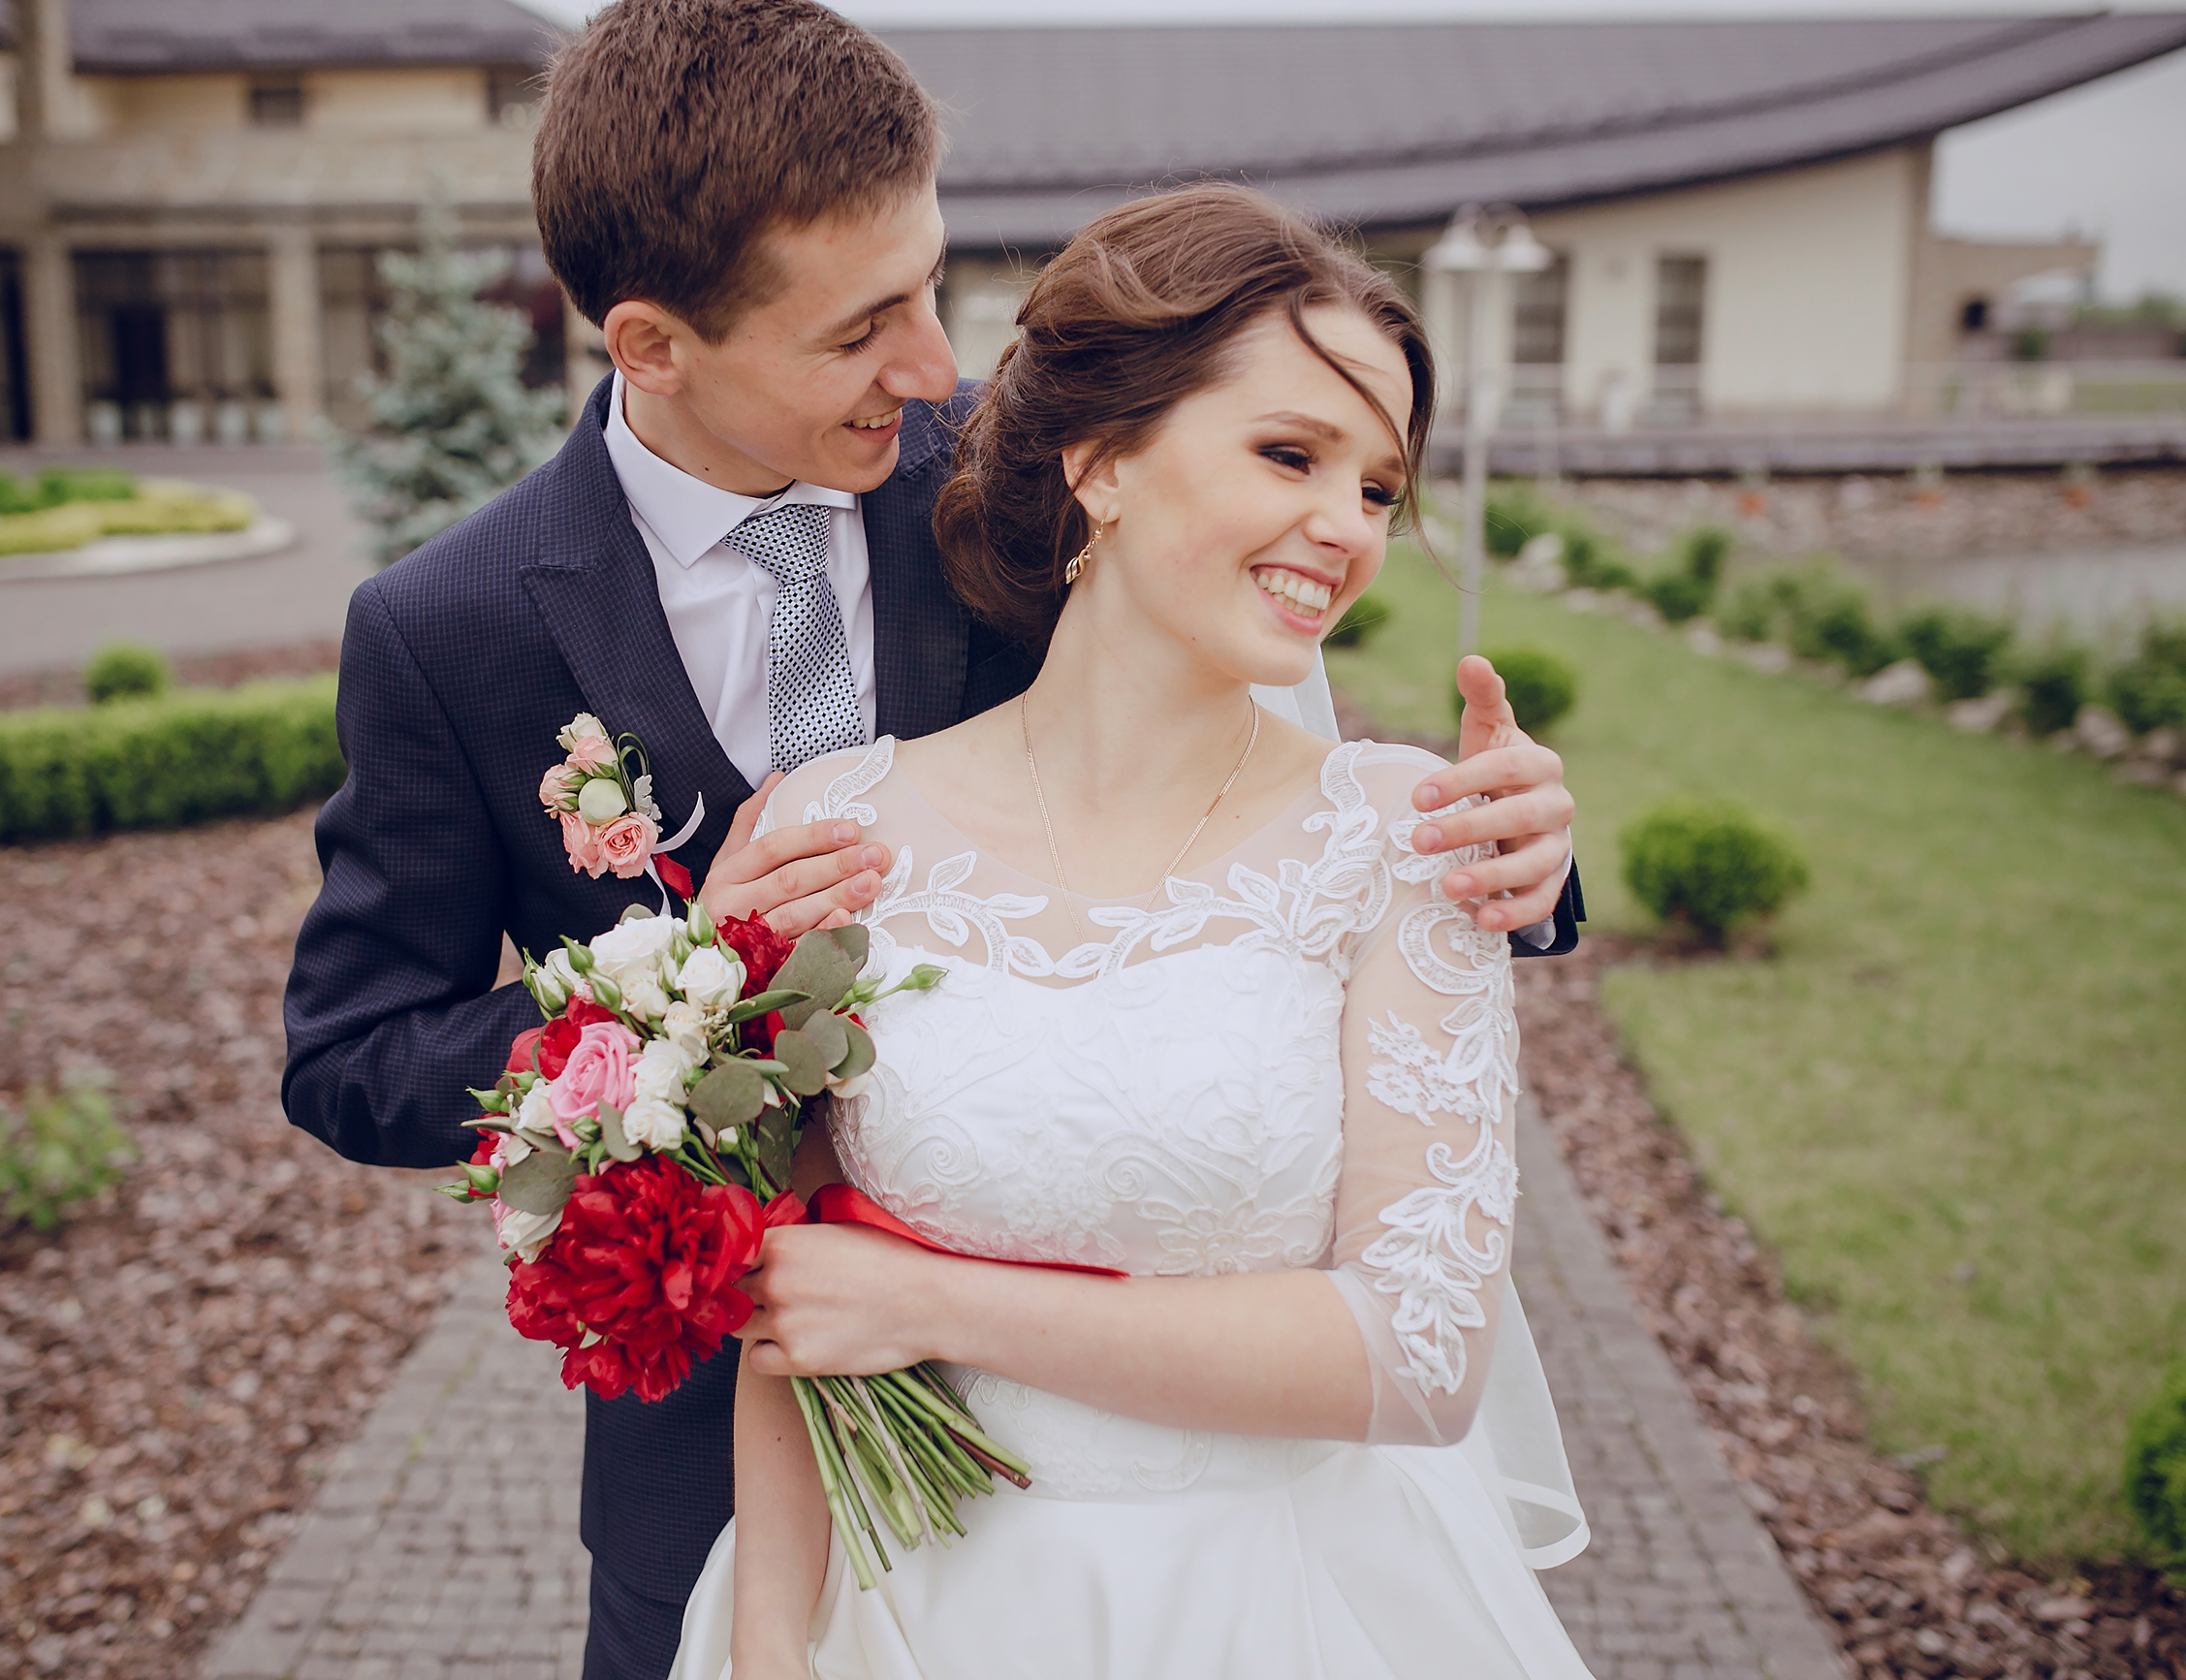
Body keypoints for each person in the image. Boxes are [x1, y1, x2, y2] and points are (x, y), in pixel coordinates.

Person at [279, 5, 1583, 1676]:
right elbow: (353, 1052)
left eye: (932, 286)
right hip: (728, 1473)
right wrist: (669, 988)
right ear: (652, 344)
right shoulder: (449, 625)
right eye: (860, 329)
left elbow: (1272, 763)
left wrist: (1513, 859)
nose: (929, 365)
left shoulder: (1035, 473)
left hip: (1174, 1465)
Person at [670, 181, 1595, 1680]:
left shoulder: (1402, 837)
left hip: (1279, 1607)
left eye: (1377, 486)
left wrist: (945, 1301)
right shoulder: (839, 825)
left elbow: (1422, 1358)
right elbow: (797, 1306)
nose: (1344, 528)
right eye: (1291, 453)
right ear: (1100, 462)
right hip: (906, 1607)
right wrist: (774, 1641)